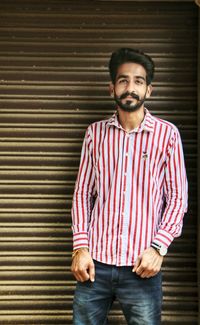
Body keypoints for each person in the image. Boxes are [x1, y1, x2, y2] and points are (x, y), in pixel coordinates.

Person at [71, 48, 188, 325]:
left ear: (149, 89)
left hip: (142, 268)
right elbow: (82, 194)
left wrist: (158, 249)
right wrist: (80, 248)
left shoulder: (167, 135)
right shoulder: (95, 134)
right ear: (112, 87)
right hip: (94, 266)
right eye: (123, 80)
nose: (130, 88)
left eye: (138, 81)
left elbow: (177, 199)